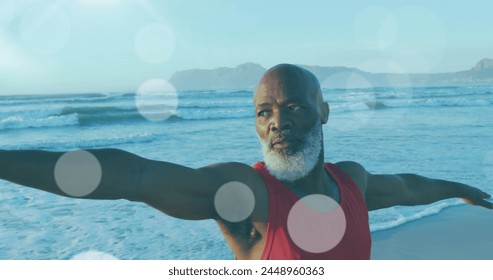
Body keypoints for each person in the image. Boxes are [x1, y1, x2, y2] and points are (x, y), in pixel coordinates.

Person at [0, 64, 491, 260]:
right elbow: (134, 175)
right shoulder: (247, 194)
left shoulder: (353, 182)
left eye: (294, 106)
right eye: (264, 112)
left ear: (323, 111)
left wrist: (459, 188)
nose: (277, 122)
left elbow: (408, 187)